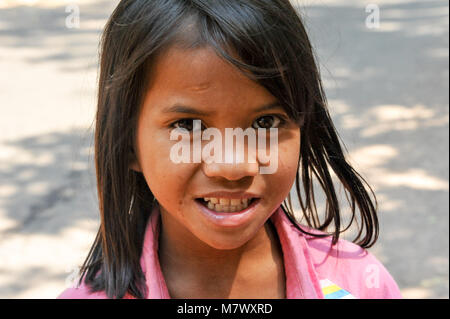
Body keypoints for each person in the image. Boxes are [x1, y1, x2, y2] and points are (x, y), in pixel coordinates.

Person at [58, 0, 402, 299]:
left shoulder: (362, 286)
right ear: (128, 143)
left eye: (265, 123)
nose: (232, 165)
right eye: (189, 126)